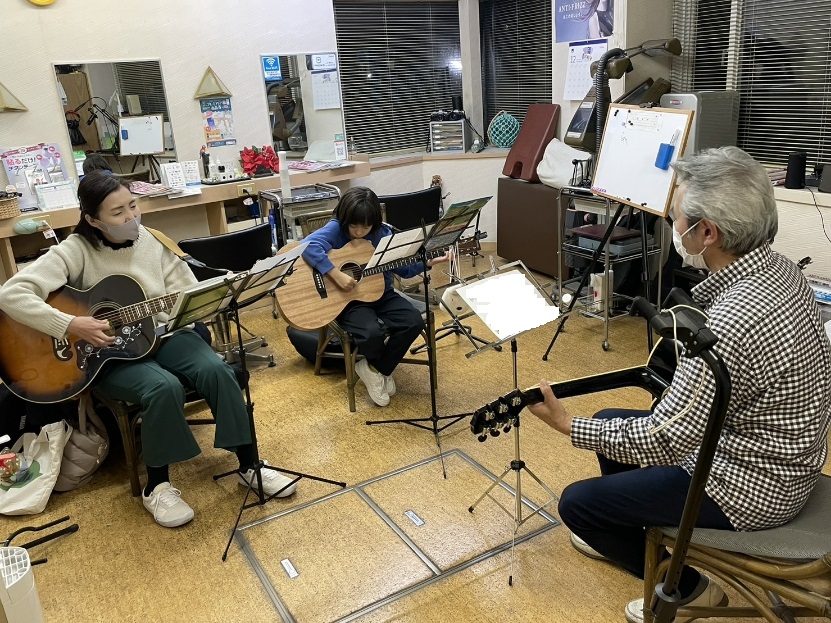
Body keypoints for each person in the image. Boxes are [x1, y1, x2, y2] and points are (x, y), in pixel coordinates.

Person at [526, 147, 831, 623]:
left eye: (676, 216)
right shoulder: (784, 271)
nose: (672, 223)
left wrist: (566, 424)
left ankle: (688, 589)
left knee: (579, 505)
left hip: (753, 487)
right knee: (611, 423)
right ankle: (645, 535)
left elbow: (666, 438)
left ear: (707, 233)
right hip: (784, 458)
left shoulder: (729, 322)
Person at [0, 172, 296, 529]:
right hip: (103, 353)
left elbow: (185, 292)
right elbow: (10, 295)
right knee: (162, 387)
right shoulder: (75, 251)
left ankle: (249, 465)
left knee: (217, 370)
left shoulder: (153, 240)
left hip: (162, 334)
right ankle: (157, 487)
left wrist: (197, 305)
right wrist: (71, 324)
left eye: (133, 205)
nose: (131, 217)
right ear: (93, 220)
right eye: (118, 212)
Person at [301, 187, 449, 407]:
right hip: (348, 301)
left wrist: (426, 262)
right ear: (344, 218)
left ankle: (375, 369)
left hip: (382, 293)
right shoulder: (336, 228)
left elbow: (403, 269)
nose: (359, 231)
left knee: (413, 322)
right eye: (354, 226)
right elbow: (307, 246)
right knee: (371, 332)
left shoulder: (382, 234)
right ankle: (381, 369)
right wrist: (335, 274)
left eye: (366, 227)